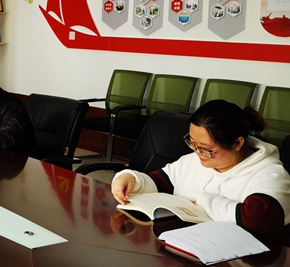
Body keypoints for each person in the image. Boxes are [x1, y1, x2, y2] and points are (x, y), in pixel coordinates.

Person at [111, 99, 290, 240]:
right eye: (192, 143)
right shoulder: (194, 161)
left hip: (239, 264)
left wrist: (204, 200)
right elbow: (159, 182)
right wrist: (131, 178)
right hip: (185, 244)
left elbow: (258, 221)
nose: (197, 153)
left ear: (237, 143)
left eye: (206, 148)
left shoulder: (270, 174)